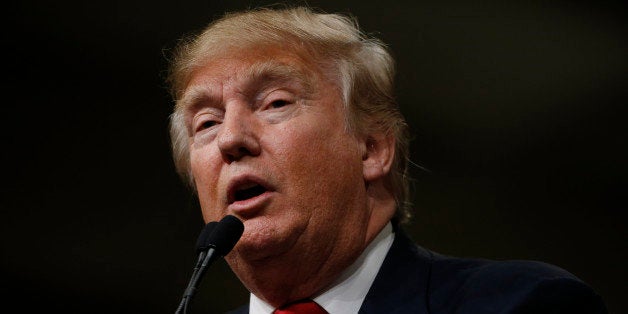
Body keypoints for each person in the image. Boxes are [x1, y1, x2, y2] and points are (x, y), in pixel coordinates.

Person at [165, 6, 607, 314]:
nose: (231, 139)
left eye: (276, 102)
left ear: (373, 148)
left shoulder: (523, 305)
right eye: (206, 123)